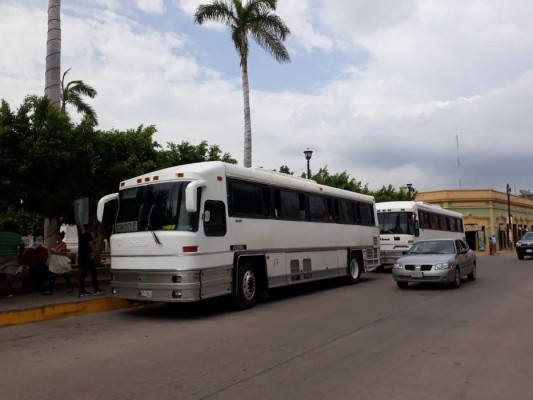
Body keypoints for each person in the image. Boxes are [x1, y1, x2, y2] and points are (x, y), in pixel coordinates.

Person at [78, 223, 104, 297]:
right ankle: (96, 289)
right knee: (93, 272)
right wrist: (96, 254)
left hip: (83, 257)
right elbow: (91, 245)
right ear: (89, 227)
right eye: (92, 226)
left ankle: (82, 290)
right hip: (87, 257)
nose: (93, 227)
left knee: (83, 274)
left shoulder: (82, 235)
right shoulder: (88, 235)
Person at [0, 222, 25, 297]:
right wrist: (19, 255)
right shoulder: (17, 236)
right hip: (12, 257)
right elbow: (22, 246)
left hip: (0, 257)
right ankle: (9, 292)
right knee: (9, 274)